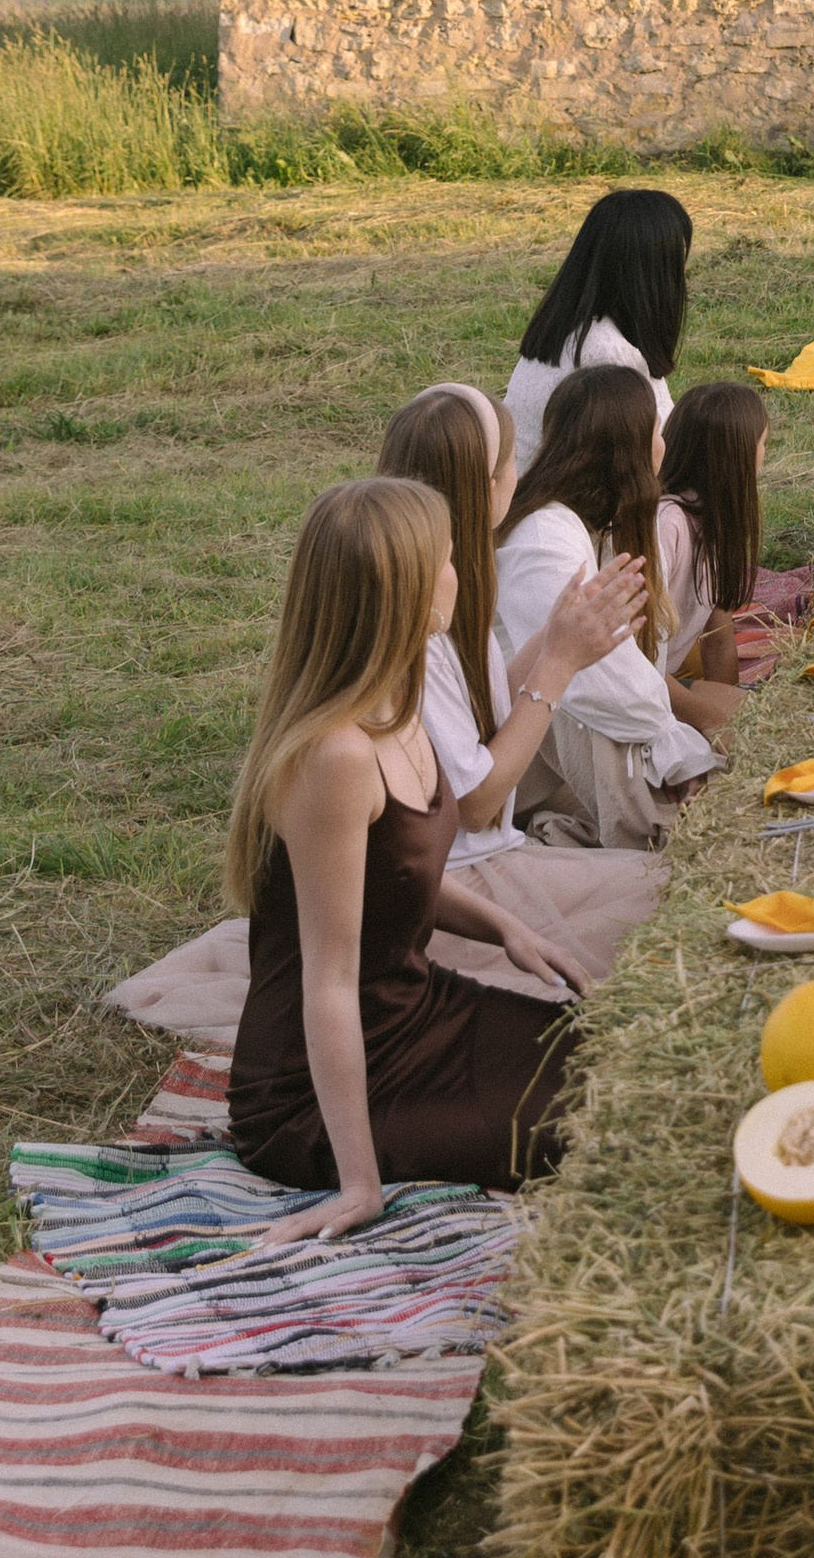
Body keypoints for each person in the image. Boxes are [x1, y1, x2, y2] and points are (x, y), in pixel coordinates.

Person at [227, 477, 590, 1224]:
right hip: (311, 1094)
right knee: (591, 1134)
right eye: (449, 558)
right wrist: (360, 1186)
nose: (462, 572)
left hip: (417, 1013)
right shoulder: (337, 759)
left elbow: (393, 876)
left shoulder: (403, 697)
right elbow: (328, 981)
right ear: (405, 593)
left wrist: (507, 930)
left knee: (616, 1062)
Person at [373, 383, 668, 984]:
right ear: (486, 488)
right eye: (511, 462)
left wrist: (555, 636)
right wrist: (557, 666)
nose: (522, 472)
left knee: (672, 889)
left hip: (480, 861)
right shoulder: (422, 615)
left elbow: (471, 718)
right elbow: (476, 806)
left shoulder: (444, 580)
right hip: (460, 882)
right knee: (665, 907)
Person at [494, 364, 715, 849]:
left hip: (546, 759)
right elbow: (593, 673)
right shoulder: (543, 538)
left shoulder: (602, 527)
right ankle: (659, 833)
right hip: (514, 762)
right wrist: (678, 748)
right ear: (628, 448)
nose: (664, 444)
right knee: (590, 696)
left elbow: (637, 662)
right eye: (656, 430)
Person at [507, 188, 692, 471]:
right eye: (675, 263)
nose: (682, 278)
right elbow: (656, 464)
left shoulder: (571, 329)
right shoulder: (607, 355)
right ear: (649, 274)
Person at [655, 377, 770, 744]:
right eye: (763, 444)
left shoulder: (717, 520)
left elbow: (718, 638)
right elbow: (638, 665)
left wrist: (726, 704)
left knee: (761, 720)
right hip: (639, 692)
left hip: (664, 687)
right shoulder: (667, 525)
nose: (765, 454)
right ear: (737, 458)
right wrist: (713, 720)